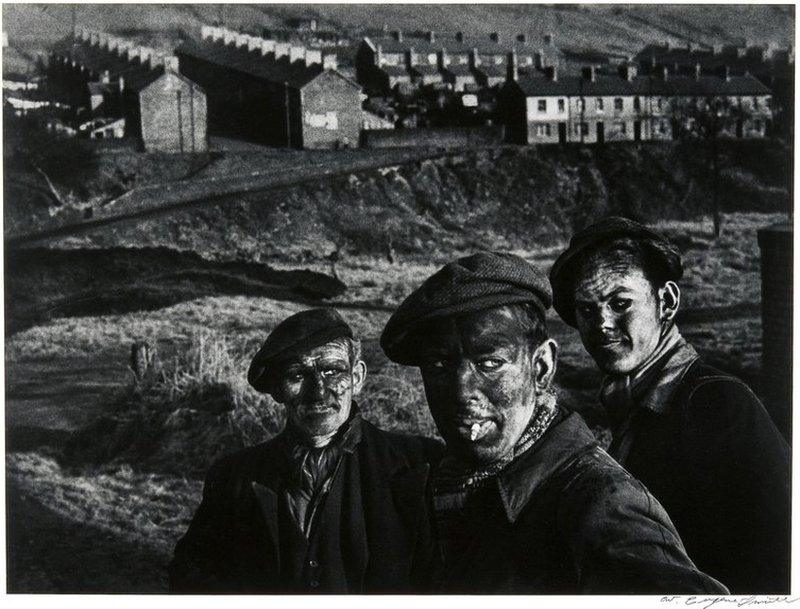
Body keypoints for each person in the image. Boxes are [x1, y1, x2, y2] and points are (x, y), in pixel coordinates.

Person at [380, 251, 727, 594]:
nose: (460, 391)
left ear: (541, 367)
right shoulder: (440, 481)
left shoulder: (603, 503)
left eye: (489, 364)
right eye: (438, 365)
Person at [549, 216, 790, 594]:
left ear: (667, 302)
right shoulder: (632, 404)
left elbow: (780, 563)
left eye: (620, 303)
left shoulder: (717, 405)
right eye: (587, 310)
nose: (602, 325)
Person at [169, 308, 441, 593]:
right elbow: (192, 573)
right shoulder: (233, 477)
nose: (319, 392)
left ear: (357, 377)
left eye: (333, 371)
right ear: (277, 389)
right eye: (297, 374)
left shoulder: (420, 466)